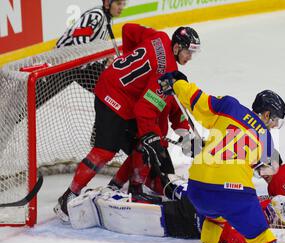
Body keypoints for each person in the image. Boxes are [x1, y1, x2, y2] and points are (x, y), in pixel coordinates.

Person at [157, 71, 285, 243]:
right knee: (262, 239)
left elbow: (193, 96)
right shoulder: (267, 140)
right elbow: (268, 170)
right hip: (233, 192)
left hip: (198, 187)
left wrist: (177, 83)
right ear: (266, 113)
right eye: (275, 119)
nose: (274, 125)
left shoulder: (229, 107)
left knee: (214, 216)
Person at [53, 23, 201, 223]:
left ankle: (130, 188)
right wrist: (153, 136)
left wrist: (184, 134)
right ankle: (67, 197)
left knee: (142, 145)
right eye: (187, 52)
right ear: (176, 48)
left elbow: (129, 30)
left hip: (118, 86)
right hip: (112, 96)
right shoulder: (166, 73)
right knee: (106, 151)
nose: (190, 58)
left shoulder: (160, 36)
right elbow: (145, 110)